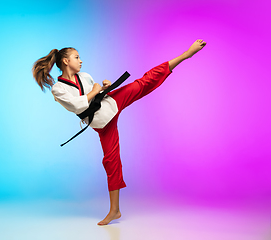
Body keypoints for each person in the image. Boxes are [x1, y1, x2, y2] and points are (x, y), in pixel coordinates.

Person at [32, 39, 207, 225]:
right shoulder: (58, 89)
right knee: (111, 161)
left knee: (144, 82)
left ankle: (185, 55)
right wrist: (95, 90)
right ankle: (115, 210)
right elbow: (77, 105)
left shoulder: (85, 76)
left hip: (112, 103)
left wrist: (103, 88)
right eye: (77, 57)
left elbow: (96, 94)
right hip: (101, 122)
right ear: (66, 61)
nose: (80, 61)